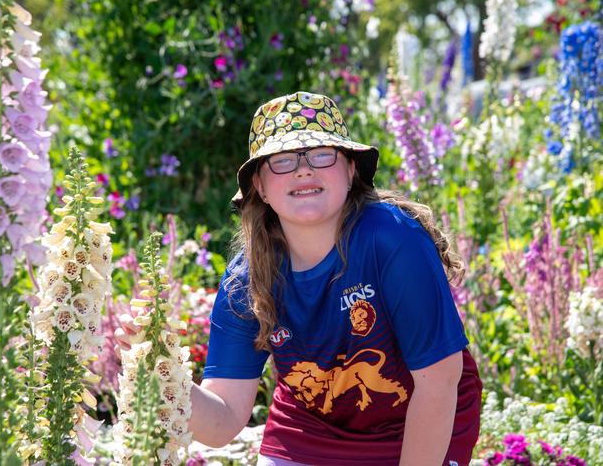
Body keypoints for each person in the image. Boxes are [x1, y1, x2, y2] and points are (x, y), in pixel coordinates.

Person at [185, 91, 482, 466]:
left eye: (321, 155)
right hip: (311, 429)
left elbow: (438, 383)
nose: (303, 170)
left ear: (351, 170)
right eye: (282, 160)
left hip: (419, 422)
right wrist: (162, 371)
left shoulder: (393, 240)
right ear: (259, 186)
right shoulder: (247, 280)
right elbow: (221, 422)